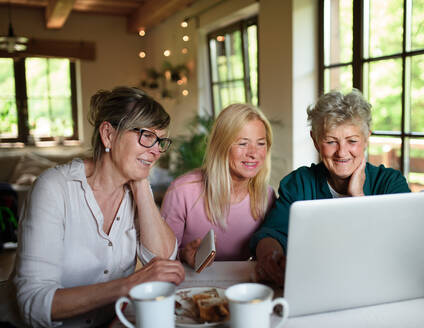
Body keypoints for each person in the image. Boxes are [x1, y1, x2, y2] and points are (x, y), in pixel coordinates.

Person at [0, 87, 185, 328]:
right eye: (147, 136)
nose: (157, 150)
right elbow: (34, 305)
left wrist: (141, 183)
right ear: (108, 134)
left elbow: (162, 262)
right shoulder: (55, 189)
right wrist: (127, 285)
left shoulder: (135, 188)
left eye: (160, 141)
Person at [250, 89, 411, 286]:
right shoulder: (299, 183)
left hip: (378, 284)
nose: (342, 152)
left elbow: (403, 245)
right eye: (330, 141)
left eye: (352, 141)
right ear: (316, 141)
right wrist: (270, 257)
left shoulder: (390, 184)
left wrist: (358, 197)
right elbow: (270, 234)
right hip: (317, 286)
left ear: (366, 138)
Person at [161, 104, 275, 267]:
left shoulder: (268, 196)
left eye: (261, 143)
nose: (253, 153)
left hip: (243, 288)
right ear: (221, 146)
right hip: (192, 288)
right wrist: (183, 255)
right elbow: (160, 260)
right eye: (243, 143)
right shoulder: (182, 191)